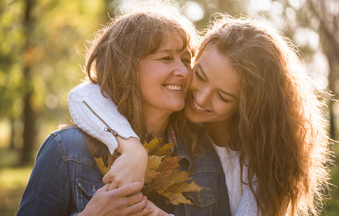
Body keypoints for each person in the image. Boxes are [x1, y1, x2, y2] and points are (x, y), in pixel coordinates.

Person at [67, 15, 332, 215]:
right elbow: (83, 95)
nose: (200, 98)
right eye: (200, 76)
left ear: (249, 108)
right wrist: (131, 148)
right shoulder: (174, 116)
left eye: (223, 96)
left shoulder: (260, 161)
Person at [18, 5, 231, 216]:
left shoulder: (203, 157)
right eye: (166, 58)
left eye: (186, 60)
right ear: (125, 68)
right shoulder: (66, 151)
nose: (183, 71)